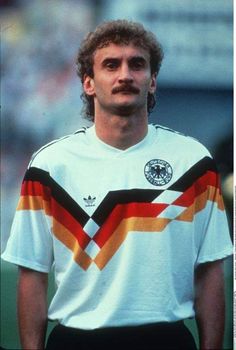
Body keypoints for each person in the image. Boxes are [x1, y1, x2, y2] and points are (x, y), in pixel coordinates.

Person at [2, 19, 233, 350]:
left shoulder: (194, 163)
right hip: (76, 341)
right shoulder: (49, 167)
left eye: (137, 64)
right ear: (89, 83)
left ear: (152, 81)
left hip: (166, 340)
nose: (125, 74)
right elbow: (32, 275)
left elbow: (209, 271)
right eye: (111, 65)